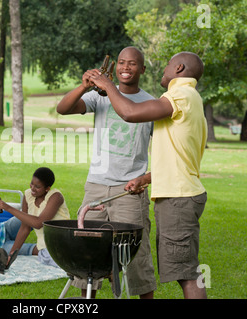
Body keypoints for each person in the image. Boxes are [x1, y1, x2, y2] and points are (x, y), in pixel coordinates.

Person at [89, 51, 208, 299]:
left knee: (186, 273)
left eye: (167, 65)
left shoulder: (181, 95)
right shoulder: (190, 97)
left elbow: (129, 113)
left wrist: (108, 84)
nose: (163, 69)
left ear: (179, 68)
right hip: (178, 192)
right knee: (184, 269)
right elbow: (177, 154)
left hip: (179, 196)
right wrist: (145, 179)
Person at [56, 46, 157, 299]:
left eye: (132, 63)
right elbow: (63, 108)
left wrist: (147, 178)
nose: (125, 67)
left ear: (142, 69)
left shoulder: (152, 104)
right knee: (87, 252)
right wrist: (84, 86)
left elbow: (167, 153)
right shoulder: (99, 98)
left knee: (137, 255)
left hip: (130, 192)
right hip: (96, 185)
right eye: (121, 62)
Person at [0, 167, 70, 267]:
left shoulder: (56, 197)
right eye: (31, 184)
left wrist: (8, 208)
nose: (33, 188)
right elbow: (25, 228)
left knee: (65, 264)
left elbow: (39, 223)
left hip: (61, 246)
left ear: (47, 188)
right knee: (8, 249)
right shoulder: (28, 195)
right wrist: (11, 255)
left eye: (37, 187)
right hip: (45, 249)